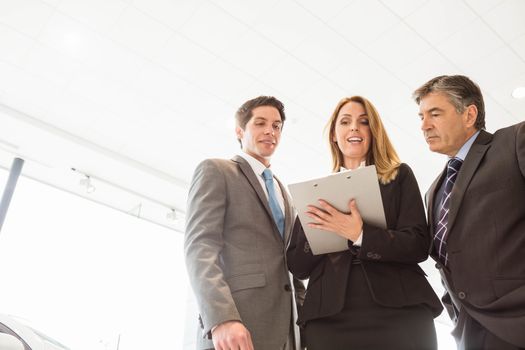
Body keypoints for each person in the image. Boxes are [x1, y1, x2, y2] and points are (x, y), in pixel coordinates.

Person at [287, 96, 442, 350]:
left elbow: (418, 244)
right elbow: (298, 266)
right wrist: (315, 223)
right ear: (334, 136)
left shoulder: (399, 176)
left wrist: (360, 234)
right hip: (329, 318)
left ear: (373, 132)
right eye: (345, 122)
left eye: (364, 122)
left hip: (399, 310)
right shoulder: (315, 193)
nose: (354, 128)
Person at [413, 75, 525, 350]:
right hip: (470, 332)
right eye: (421, 116)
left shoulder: (513, 142)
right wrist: (457, 313)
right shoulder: (433, 192)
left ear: (469, 114)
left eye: (434, 113)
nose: (424, 126)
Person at [184, 96, 304, 350]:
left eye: (277, 126)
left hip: (286, 334)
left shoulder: (285, 193)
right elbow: (200, 248)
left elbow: (290, 266)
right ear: (240, 131)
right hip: (235, 328)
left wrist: (305, 325)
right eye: (260, 123)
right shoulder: (217, 171)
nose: (270, 131)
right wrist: (221, 317)